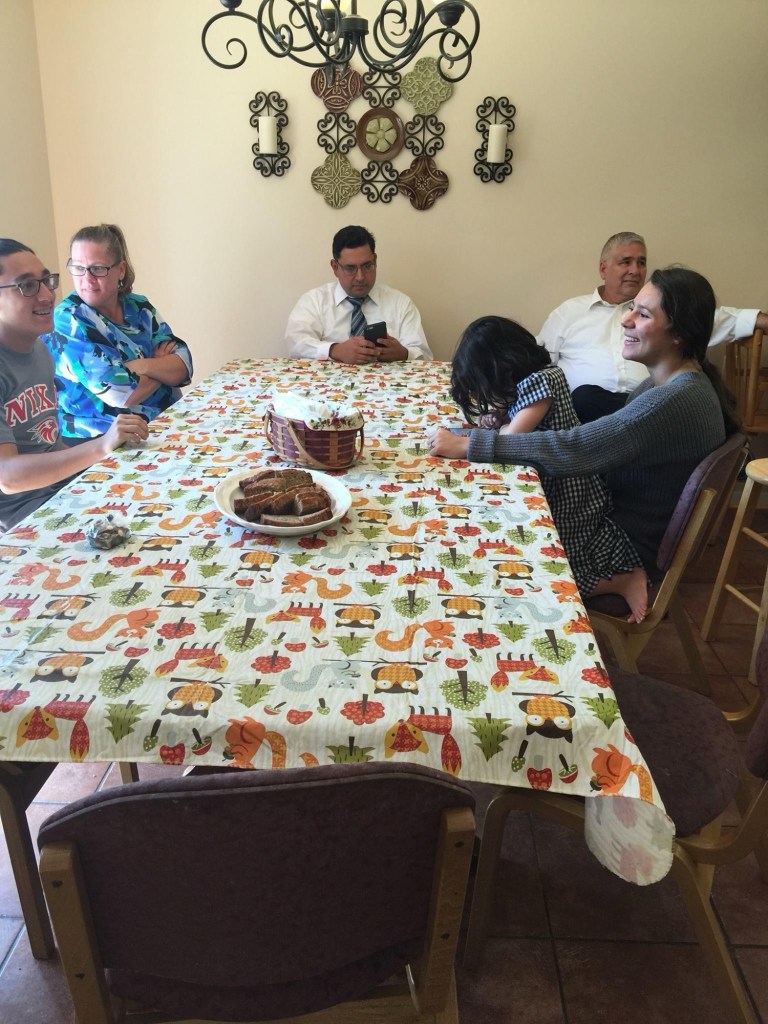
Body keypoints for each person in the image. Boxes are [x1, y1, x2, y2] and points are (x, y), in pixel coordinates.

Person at [429, 267, 738, 591]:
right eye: (632, 308)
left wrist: (470, 445)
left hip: (621, 546)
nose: (626, 319)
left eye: (643, 314)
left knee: (492, 556)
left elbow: (577, 447)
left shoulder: (671, 400)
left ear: (679, 334)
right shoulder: (675, 385)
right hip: (617, 523)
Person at [450, 316, 648, 620]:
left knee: (543, 576)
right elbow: (517, 422)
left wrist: (497, 428)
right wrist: (501, 417)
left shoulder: (541, 381)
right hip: (563, 482)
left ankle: (621, 580)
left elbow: (514, 438)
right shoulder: (540, 377)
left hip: (566, 495)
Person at [538, 231, 768, 422]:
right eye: (625, 262)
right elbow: (538, 364)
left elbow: (716, 318)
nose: (635, 270)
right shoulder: (569, 312)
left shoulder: (666, 310)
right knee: (585, 397)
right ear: (603, 269)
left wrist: (761, 319)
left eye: (641, 263)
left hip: (654, 406)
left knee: (590, 398)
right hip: (583, 411)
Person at [0, 238, 148, 534]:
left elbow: (48, 442)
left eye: (46, 281)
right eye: (27, 286)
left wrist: (102, 462)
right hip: (24, 514)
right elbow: (8, 478)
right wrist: (100, 446)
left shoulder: (40, 350)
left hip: (62, 489)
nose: (47, 295)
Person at [45, 224, 193, 443]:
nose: (87, 279)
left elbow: (184, 366)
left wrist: (141, 366)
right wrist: (161, 366)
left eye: (98, 268)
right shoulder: (68, 320)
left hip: (164, 421)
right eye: (78, 267)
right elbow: (121, 394)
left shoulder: (139, 306)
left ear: (120, 270)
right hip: (102, 439)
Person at [285, 224, 432, 364]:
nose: (360, 277)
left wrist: (404, 354)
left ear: (375, 261)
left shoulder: (400, 303)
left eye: (367, 266)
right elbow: (296, 343)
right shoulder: (314, 301)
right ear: (335, 267)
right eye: (350, 268)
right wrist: (335, 350)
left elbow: (425, 356)